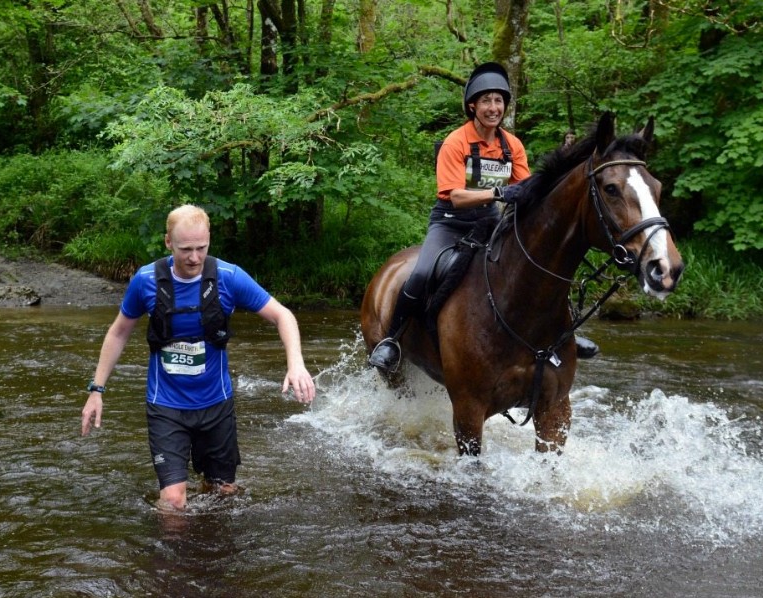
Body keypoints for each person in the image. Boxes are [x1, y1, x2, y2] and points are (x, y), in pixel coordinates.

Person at [80, 204, 316, 512]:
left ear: (209, 241)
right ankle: (173, 560)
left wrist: (295, 362)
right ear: (168, 242)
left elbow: (282, 315)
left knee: (222, 493)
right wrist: (96, 390)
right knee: (173, 500)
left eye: (201, 248)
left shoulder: (230, 278)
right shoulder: (146, 280)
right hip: (165, 406)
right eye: (185, 249)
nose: (194, 258)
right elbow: (118, 333)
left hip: (216, 405)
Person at [368, 62, 596, 372]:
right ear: (472, 105)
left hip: (490, 222)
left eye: (499, 101)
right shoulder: (455, 142)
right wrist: (500, 195)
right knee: (421, 274)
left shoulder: (512, 145)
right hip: (450, 223)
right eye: (486, 101)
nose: (493, 108)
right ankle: (392, 339)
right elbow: (456, 195)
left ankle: (561, 334)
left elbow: (527, 189)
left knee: (537, 265)